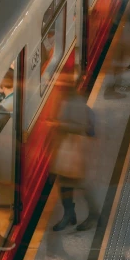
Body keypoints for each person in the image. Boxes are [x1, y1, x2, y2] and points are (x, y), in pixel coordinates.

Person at [51, 77, 98, 232]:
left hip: (74, 151)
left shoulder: (75, 103)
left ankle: (94, 215)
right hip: (67, 150)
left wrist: (57, 124)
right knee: (64, 183)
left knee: (80, 184)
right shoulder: (66, 100)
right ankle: (69, 214)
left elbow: (80, 127)